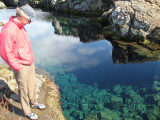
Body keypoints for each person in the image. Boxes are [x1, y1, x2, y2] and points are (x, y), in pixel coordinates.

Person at [0, 4, 46, 120]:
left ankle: (34, 102)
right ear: (23, 16)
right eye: (29, 20)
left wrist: (31, 59)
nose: (30, 22)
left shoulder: (21, 26)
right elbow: (5, 52)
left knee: (32, 84)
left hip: (29, 62)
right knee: (23, 89)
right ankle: (27, 111)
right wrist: (17, 66)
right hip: (21, 65)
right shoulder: (8, 29)